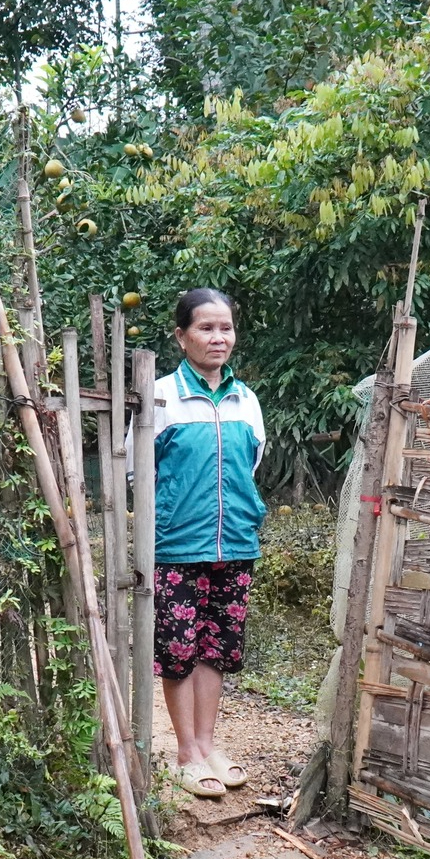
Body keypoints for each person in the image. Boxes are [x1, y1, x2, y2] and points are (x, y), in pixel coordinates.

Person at [145, 287, 267, 798]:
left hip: (235, 543)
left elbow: (252, 463)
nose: (219, 338)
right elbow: (139, 471)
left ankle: (210, 744)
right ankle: (186, 753)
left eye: (226, 328)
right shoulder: (160, 396)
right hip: (176, 545)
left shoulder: (246, 399)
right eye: (206, 328)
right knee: (179, 649)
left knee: (215, 648)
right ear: (182, 336)